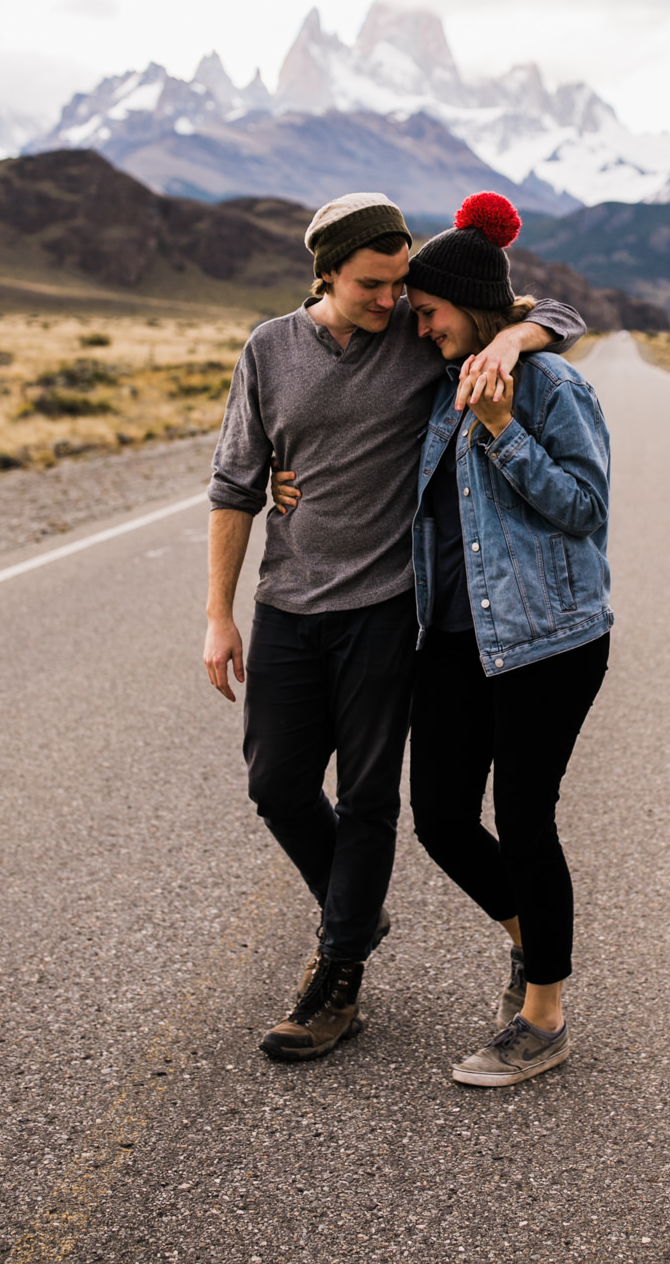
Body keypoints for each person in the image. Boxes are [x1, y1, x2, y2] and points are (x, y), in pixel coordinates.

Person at [203, 190, 583, 1066]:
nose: (392, 303)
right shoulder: (268, 349)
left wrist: (510, 337)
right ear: (325, 272)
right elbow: (234, 482)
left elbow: (552, 314)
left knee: (374, 798)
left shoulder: (424, 347)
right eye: (373, 285)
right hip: (287, 604)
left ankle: (337, 974)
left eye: (401, 286)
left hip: (385, 609)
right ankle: (356, 910)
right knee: (277, 786)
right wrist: (219, 613)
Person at [401, 191, 612, 1088]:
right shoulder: (445, 375)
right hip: (451, 636)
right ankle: (533, 944)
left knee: (525, 818)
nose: (419, 329)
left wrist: (502, 431)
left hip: (549, 640)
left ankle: (544, 1016)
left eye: (429, 312)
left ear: (469, 305)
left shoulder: (554, 385)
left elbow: (585, 509)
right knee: (442, 819)